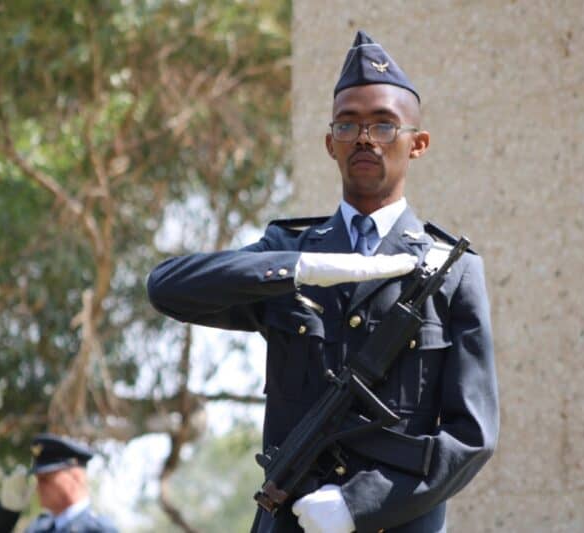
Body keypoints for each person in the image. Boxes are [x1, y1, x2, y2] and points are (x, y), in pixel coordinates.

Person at [147, 30, 499, 533]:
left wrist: (361, 503)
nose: (363, 138)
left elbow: (471, 437)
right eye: (348, 124)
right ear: (329, 142)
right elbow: (167, 287)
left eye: (383, 125)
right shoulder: (290, 252)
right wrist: (295, 269)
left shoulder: (452, 272)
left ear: (417, 144)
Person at [0, 433, 117, 533]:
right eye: (37, 479)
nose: (38, 487)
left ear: (76, 477)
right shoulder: (38, 528)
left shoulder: (99, 530)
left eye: (45, 479)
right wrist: (5, 514)